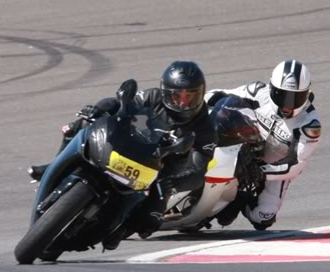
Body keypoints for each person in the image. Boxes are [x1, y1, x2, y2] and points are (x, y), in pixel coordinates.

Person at [31, 61, 217, 250]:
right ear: (165, 92)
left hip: (160, 172)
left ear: (201, 93)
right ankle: (52, 166)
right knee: (76, 127)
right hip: (133, 146)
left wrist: (174, 183)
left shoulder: (206, 128)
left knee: (149, 222)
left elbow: (198, 171)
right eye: (177, 96)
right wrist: (100, 110)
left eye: (190, 96)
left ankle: (120, 227)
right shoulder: (152, 97)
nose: (184, 102)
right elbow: (120, 105)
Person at [205, 59, 321, 230]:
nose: (287, 105)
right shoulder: (258, 92)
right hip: (245, 145)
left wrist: (261, 173)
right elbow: (221, 94)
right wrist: (202, 102)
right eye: (282, 95)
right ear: (272, 88)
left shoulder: (309, 124)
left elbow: (297, 164)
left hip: (274, 168)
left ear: (306, 93)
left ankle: (239, 200)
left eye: (295, 98)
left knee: (263, 217)